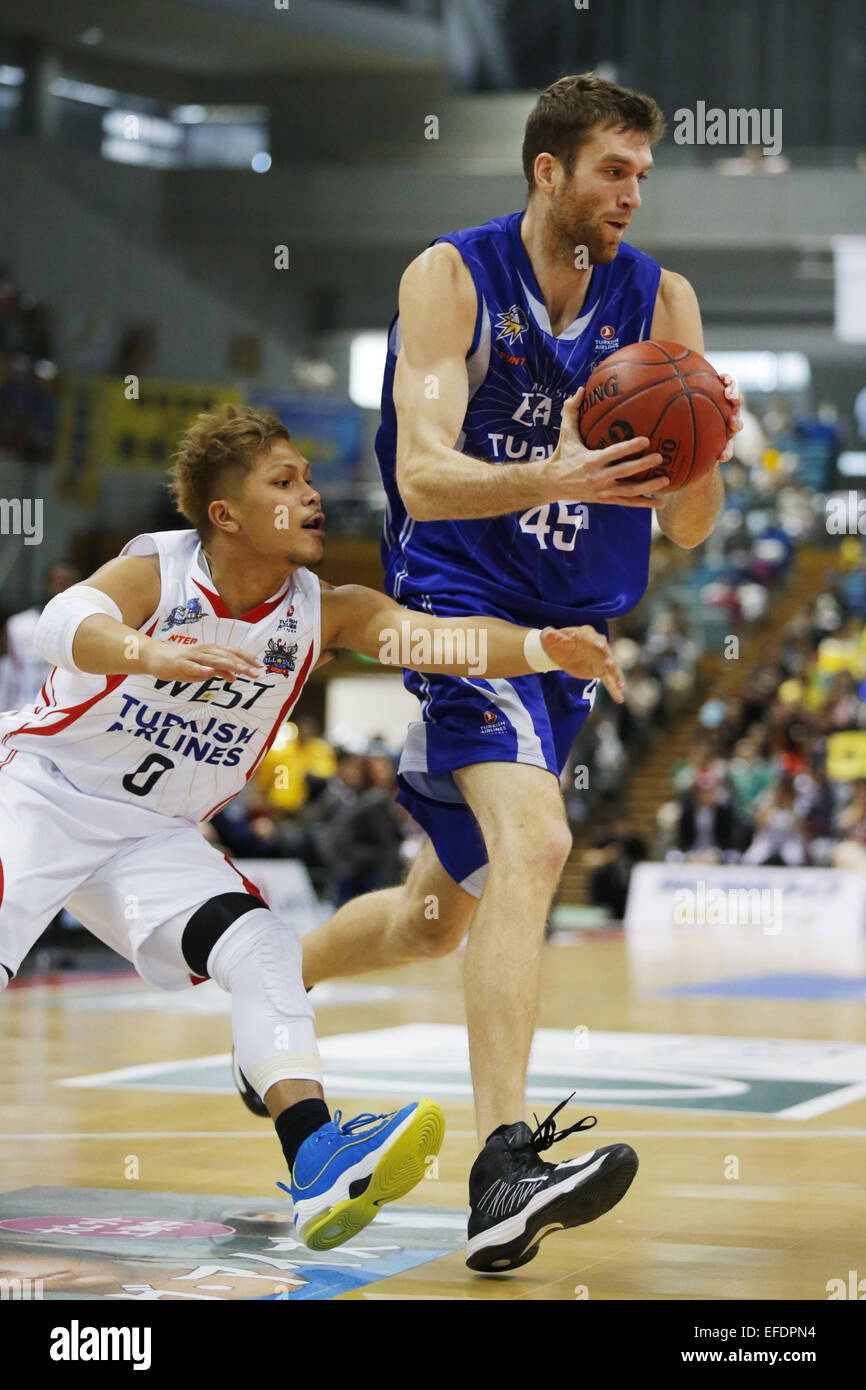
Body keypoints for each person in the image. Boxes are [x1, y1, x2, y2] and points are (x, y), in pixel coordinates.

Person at [290, 72, 742, 1273]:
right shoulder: (451, 278)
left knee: (434, 919)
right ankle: (502, 1168)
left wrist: (701, 452)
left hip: (570, 645)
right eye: (612, 169)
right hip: (455, 609)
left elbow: (691, 528)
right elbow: (424, 479)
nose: (632, 193)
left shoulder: (664, 303)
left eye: (643, 172)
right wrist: (553, 473)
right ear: (547, 170)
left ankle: (261, 992)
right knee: (536, 842)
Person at [0, 402, 626, 1253]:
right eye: (283, 483)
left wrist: (547, 649)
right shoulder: (164, 570)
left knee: (262, 948)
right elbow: (59, 625)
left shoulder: (326, 612)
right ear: (226, 515)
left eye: (309, 479)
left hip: (150, 836)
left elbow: (440, 642)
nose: (311, 494)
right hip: (40, 793)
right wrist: (152, 653)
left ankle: (319, 1160)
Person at [2, 560, 81, 710]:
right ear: (46, 585)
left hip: (66, 710)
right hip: (26, 708)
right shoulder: (18, 624)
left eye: (70, 582)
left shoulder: (88, 625)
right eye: (59, 582)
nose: (63, 587)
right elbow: (8, 673)